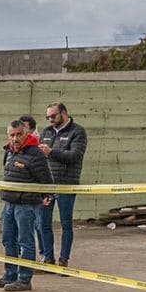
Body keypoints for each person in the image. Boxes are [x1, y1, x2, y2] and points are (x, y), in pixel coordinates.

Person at [0, 119, 53, 292]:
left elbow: (47, 181)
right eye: (12, 135)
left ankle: (25, 279)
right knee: (8, 240)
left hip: (26, 205)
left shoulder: (36, 154)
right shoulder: (9, 152)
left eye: (19, 134)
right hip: (9, 203)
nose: (15, 138)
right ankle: (10, 275)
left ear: (26, 134)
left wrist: (47, 196)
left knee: (25, 241)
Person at [41, 102, 88, 266]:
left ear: (64, 114)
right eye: (48, 117)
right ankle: (48, 258)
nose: (50, 120)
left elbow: (74, 156)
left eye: (53, 116)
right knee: (43, 223)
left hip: (66, 184)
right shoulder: (46, 132)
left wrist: (51, 152)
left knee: (66, 223)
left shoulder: (78, 132)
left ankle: (64, 259)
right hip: (47, 185)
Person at [18, 113, 54, 263]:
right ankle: (37, 255)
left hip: (38, 193)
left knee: (41, 225)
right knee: (28, 227)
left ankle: (46, 255)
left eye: (24, 129)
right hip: (24, 194)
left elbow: (43, 173)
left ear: (31, 129)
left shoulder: (37, 147)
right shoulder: (18, 146)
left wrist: (45, 194)